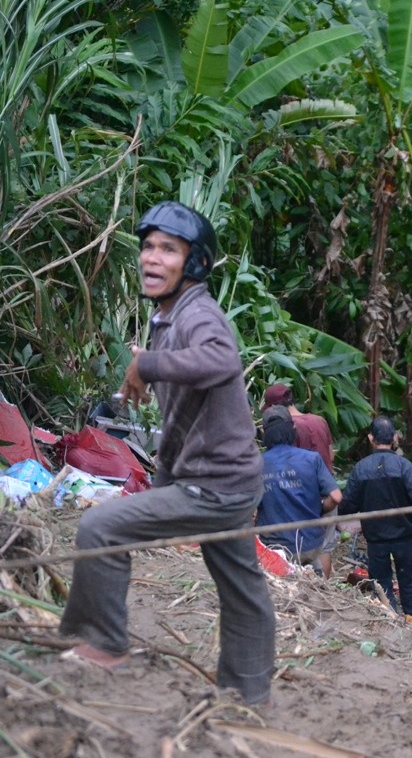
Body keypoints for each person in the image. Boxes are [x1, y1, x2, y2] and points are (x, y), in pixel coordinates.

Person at [58, 201, 276, 705]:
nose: (152, 258)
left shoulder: (199, 314)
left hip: (216, 488)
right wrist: (165, 479)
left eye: (168, 249)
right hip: (225, 481)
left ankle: (105, 644)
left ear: (194, 263)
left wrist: (150, 365)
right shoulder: (168, 316)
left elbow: (221, 359)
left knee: (100, 528)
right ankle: (248, 693)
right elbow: (180, 421)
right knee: (242, 587)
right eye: (149, 247)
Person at [338, 415, 412, 618]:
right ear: (394, 438)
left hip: (376, 540)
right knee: (408, 582)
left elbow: (348, 506)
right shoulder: (405, 467)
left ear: (370, 438)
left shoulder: (361, 469)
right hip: (404, 538)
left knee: (381, 585)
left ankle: (389, 619)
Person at [256, 405, 342, 577]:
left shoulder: (257, 464)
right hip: (310, 544)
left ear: (264, 434)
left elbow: (249, 508)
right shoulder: (312, 459)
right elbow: (336, 497)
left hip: (275, 548)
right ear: (293, 429)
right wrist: (321, 509)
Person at [261, 384, 335, 473]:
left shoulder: (286, 427)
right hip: (327, 482)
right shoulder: (320, 420)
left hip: (302, 482)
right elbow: (331, 456)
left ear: (273, 407)